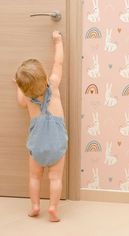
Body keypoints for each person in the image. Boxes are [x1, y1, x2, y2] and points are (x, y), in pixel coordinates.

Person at [13, 30, 68, 222]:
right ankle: (52, 208)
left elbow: (20, 102)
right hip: (57, 144)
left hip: (36, 146)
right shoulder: (53, 85)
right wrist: (58, 41)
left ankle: (35, 206)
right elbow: (58, 62)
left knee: (35, 177)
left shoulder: (26, 97)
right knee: (55, 178)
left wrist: (19, 86)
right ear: (44, 76)